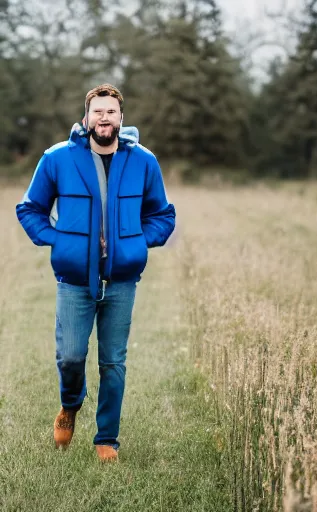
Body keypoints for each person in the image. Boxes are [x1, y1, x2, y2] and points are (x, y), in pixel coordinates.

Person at [16, 84, 176, 462]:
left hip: (121, 281)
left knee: (113, 363)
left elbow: (162, 216)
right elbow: (30, 208)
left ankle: (107, 439)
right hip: (74, 281)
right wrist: (57, 239)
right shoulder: (58, 159)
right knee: (70, 357)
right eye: (98, 111)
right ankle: (70, 406)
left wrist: (136, 243)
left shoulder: (143, 161)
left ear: (122, 118)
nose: (105, 118)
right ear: (86, 117)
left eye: (112, 112)